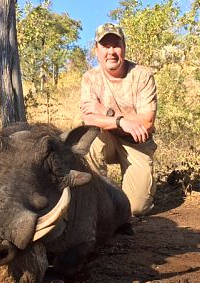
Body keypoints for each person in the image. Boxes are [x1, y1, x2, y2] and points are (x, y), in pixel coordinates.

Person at [80, 23, 157, 217]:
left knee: (136, 209)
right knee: (90, 139)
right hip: (106, 138)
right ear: (96, 50)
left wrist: (105, 112)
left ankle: (141, 184)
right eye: (105, 46)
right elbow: (88, 119)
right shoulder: (90, 77)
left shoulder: (142, 75)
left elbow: (146, 123)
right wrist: (121, 122)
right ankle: (95, 199)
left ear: (124, 48)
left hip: (137, 142)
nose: (111, 52)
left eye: (116, 45)